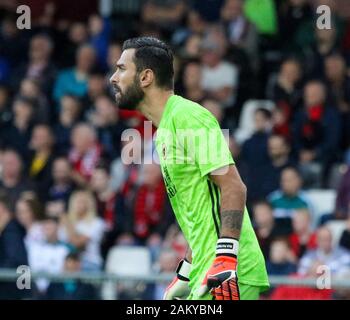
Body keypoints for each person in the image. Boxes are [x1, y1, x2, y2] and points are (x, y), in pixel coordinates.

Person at [109, 36, 269, 300]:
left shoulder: (188, 116)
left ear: (146, 77)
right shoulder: (163, 132)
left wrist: (226, 259)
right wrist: (186, 271)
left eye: (122, 68)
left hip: (226, 277)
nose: (114, 77)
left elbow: (233, 186)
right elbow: (200, 212)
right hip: (203, 274)